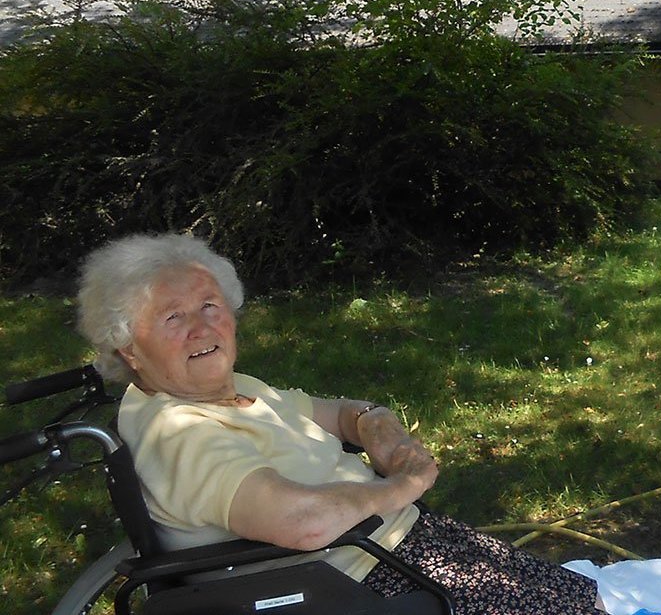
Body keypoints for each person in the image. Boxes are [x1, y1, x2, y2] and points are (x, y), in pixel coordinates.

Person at [76, 233, 605, 614]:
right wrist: (401, 485)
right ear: (129, 347)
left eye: (211, 305)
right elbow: (301, 522)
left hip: (399, 546)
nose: (202, 327)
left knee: (581, 600)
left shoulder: (236, 390)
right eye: (174, 317)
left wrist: (381, 432)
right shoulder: (182, 433)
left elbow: (343, 412)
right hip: (359, 583)